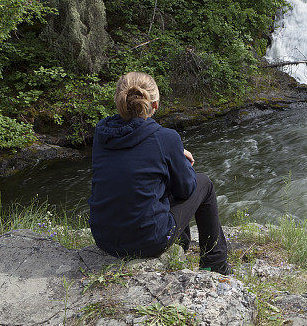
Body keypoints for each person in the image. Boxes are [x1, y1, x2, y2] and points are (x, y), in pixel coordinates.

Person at [88, 71, 232, 274]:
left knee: (151, 182)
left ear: (119, 101)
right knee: (204, 184)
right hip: (146, 242)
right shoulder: (166, 138)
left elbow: (132, 164)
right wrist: (179, 159)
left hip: (104, 238)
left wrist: (173, 155)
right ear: (154, 105)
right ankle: (215, 264)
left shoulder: (101, 134)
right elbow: (186, 189)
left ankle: (181, 244)